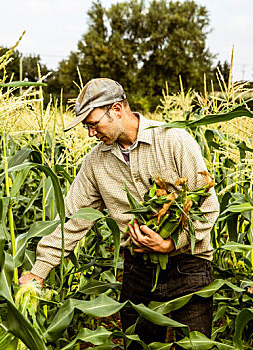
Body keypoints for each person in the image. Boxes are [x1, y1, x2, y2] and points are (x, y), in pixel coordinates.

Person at [19, 78, 219, 348]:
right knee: (138, 345)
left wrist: (170, 243)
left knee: (194, 346)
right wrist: (39, 271)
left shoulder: (174, 140)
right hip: (138, 271)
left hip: (189, 265)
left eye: (92, 123)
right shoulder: (95, 162)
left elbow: (207, 206)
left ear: (116, 109)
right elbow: (73, 219)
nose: (90, 133)